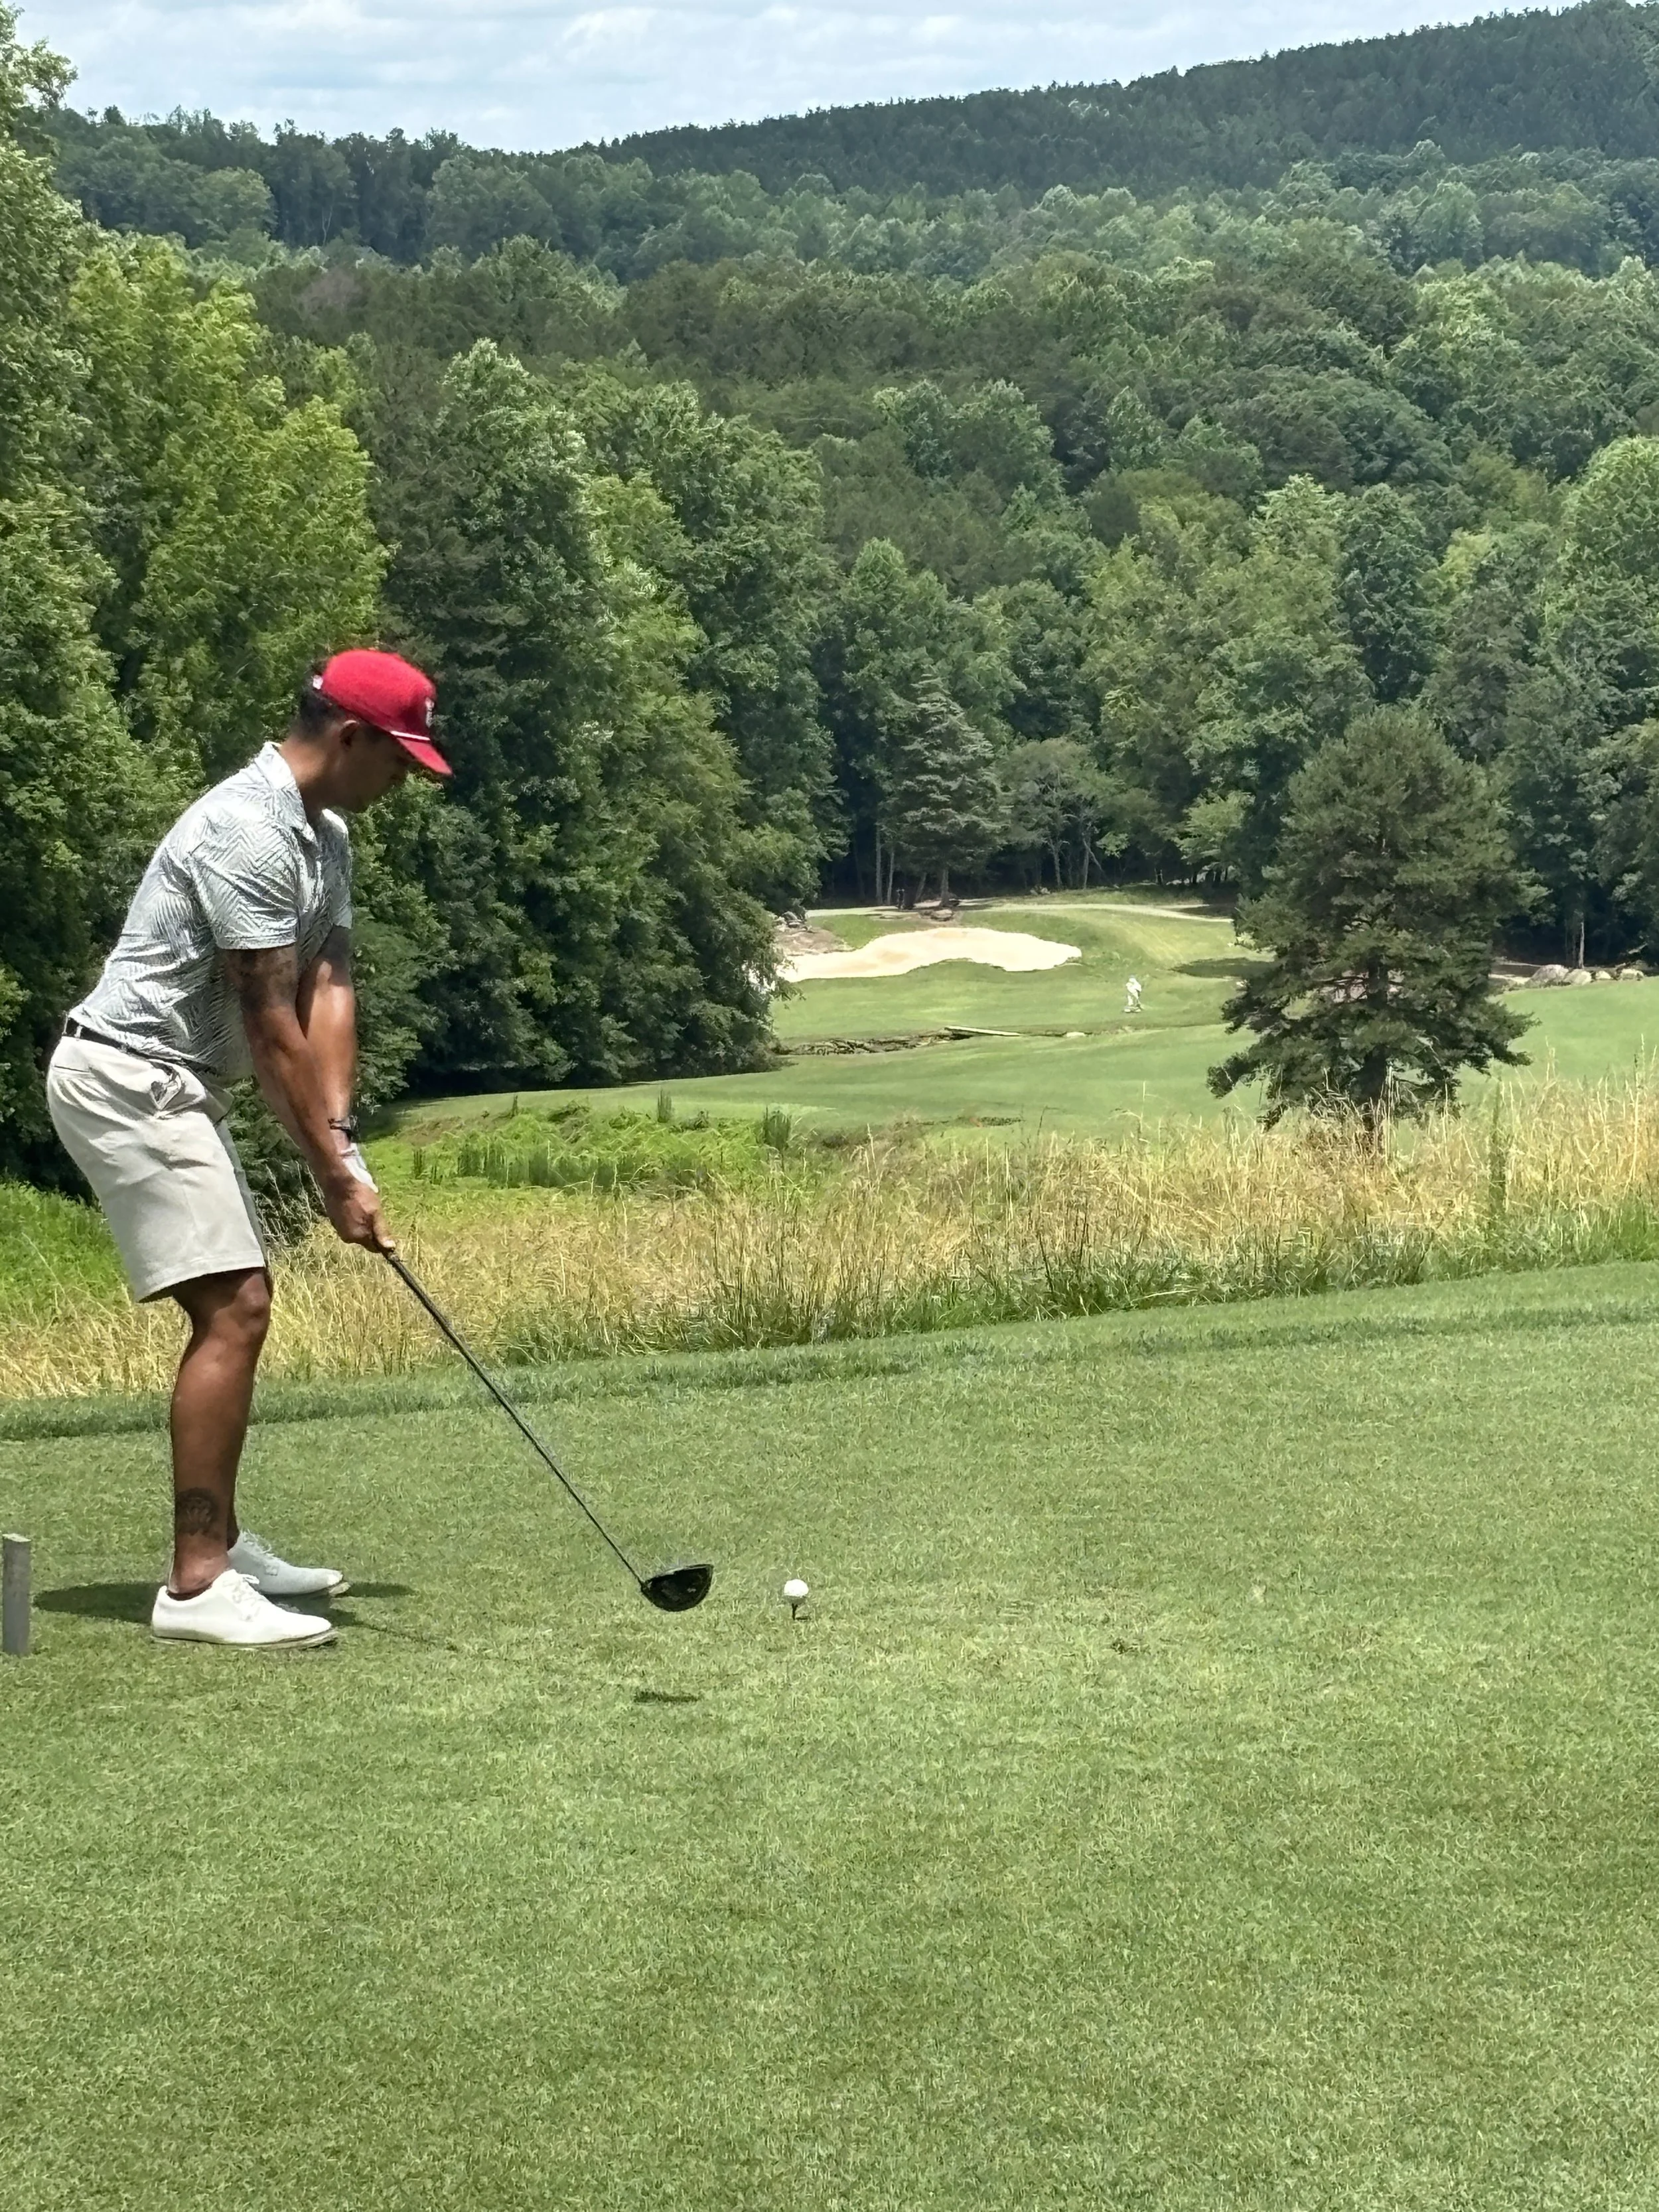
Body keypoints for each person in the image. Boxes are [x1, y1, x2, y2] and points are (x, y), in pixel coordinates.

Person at [46, 650, 451, 1649]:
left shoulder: (327, 836)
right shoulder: (245, 831)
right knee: (238, 1305)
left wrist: (343, 1145)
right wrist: (327, 1177)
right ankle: (196, 1585)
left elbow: (331, 988)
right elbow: (268, 1020)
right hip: (128, 1075)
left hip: (179, 1084)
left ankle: (219, 1543)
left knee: (239, 1302)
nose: (402, 785)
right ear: (349, 737)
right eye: (398, 763)